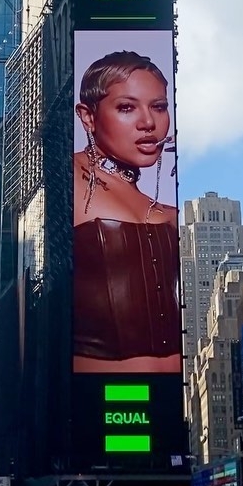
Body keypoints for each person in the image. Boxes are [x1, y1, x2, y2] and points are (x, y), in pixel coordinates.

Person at [72, 50, 180, 374]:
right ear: (88, 117)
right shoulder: (65, 179)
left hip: (169, 406)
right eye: (127, 108)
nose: (148, 123)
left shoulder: (169, 211)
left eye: (158, 107)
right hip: (97, 402)